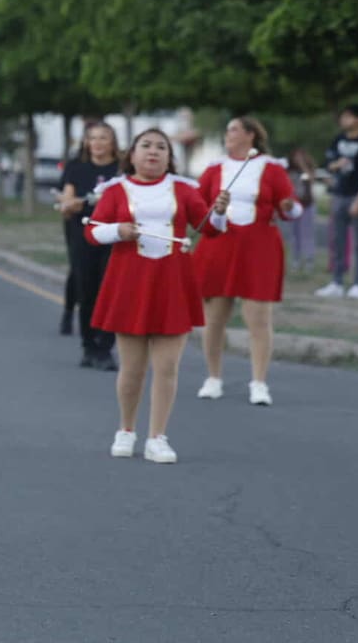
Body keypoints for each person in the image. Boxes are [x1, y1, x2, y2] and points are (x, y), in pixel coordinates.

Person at [85, 128, 229, 464]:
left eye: (161, 147)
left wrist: (219, 210)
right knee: (132, 368)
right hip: (129, 283)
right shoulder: (116, 191)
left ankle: (157, 437)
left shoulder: (183, 189)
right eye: (146, 146)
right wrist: (117, 230)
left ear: (169, 156)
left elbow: (209, 228)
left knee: (167, 367)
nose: (153, 152)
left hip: (173, 283)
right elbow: (92, 231)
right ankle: (126, 429)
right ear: (132, 155)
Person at [193, 118, 301, 407]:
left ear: (250, 136)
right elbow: (197, 207)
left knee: (259, 319)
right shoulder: (215, 169)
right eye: (227, 130)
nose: (228, 135)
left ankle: (259, 382)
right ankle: (213, 378)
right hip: (219, 246)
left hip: (259, 249)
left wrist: (289, 206)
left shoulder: (272, 168)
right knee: (214, 319)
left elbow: (289, 203)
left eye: (233, 130)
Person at [58, 122, 121, 370]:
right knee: (87, 289)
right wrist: (71, 204)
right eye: (92, 138)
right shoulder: (76, 167)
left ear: (112, 142)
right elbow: (67, 201)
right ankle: (88, 345)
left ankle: (105, 346)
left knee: (110, 289)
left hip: (114, 235)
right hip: (82, 234)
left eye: (103, 138)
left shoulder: (122, 169)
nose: (97, 143)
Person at [316, 104, 358, 299]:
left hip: (357, 195)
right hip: (339, 194)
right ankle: (336, 282)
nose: (344, 120)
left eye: (348, 117)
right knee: (337, 240)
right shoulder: (338, 140)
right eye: (343, 116)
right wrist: (337, 164)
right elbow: (328, 165)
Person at [284, 148, 317, 273]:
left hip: (307, 205)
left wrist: (303, 166)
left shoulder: (307, 170)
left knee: (307, 234)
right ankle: (295, 260)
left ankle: (309, 259)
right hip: (293, 205)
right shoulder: (289, 171)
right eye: (295, 157)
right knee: (294, 235)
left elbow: (311, 180)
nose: (297, 160)